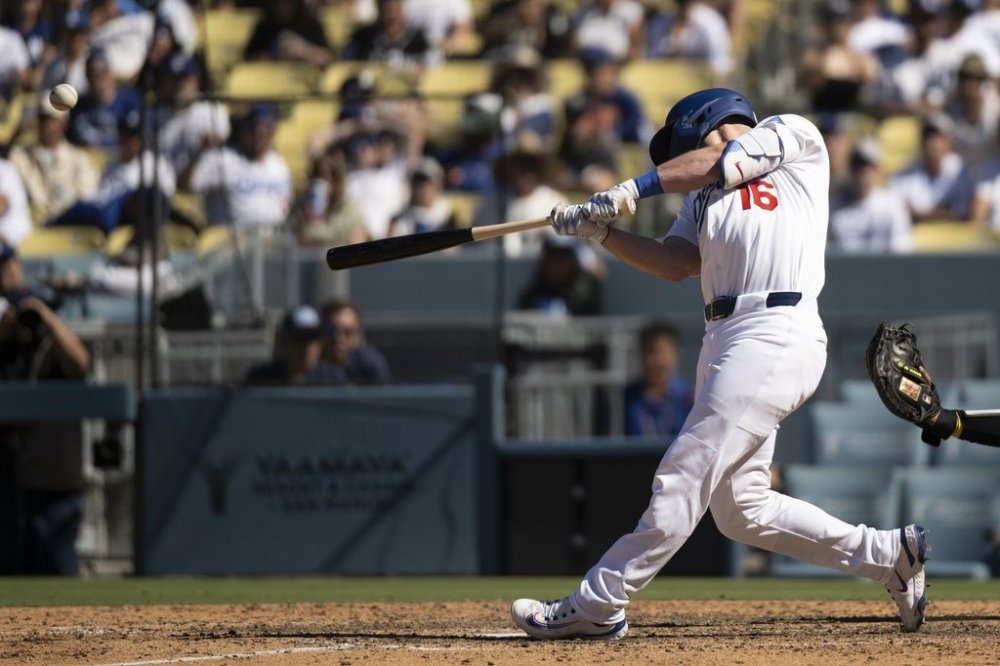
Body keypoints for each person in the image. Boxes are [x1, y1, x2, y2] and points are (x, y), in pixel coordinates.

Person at [510, 88, 929, 639]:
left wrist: (631, 187)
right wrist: (603, 233)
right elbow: (676, 262)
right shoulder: (701, 198)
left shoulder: (794, 136)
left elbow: (723, 158)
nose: (673, 155)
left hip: (776, 327)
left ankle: (599, 601)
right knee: (742, 510)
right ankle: (887, 554)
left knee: (684, 472)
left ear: (702, 122)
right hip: (724, 338)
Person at [0, 240, 91, 576]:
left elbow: (80, 362)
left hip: (55, 480)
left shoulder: (54, 340)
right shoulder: (7, 342)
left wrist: (43, 315)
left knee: (58, 570)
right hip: (8, 480)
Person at [180, 103, 292, 229]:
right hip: (229, 241)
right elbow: (185, 186)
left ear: (273, 133)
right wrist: (200, 151)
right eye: (254, 128)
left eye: (266, 129)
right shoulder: (223, 158)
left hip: (271, 240)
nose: (259, 136)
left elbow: (283, 206)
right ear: (243, 131)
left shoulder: (278, 164)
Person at [10, 90, 101, 224]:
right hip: (30, 231)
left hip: (67, 231)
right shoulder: (20, 157)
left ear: (63, 124)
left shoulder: (79, 160)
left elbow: (86, 202)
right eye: (42, 118)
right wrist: (15, 134)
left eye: (50, 119)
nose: (45, 124)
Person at [829, 139, 912, 254]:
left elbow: (901, 253)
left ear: (879, 170)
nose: (864, 173)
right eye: (858, 166)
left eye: (869, 166)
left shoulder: (893, 206)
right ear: (851, 170)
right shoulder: (835, 209)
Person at [889, 113, 975, 223]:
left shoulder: (962, 171)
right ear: (920, 141)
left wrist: (919, 214)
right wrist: (943, 212)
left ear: (948, 141)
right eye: (927, 136)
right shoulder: (905, 174)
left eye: (938, 137)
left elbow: (964, 213)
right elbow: (895, 211)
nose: (932, 143)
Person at [623, 321, 695, 438]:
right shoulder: (628, 397)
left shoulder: (690, 398)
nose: (651, 360)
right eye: (646, 352)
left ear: (674, 353)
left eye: (658, 352)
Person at [294, 148, 369, 247]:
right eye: (319, 174)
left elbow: (358, 242)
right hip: (310, 261)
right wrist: (309, 216)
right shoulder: (301, 207)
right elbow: (294, 244)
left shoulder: (350, 209)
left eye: (331, 175)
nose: (324, 180)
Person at [313, 299, 391, 385]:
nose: (339, 338)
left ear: (358, 335)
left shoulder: (370, 365)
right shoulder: (309, 364)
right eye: (331, 330)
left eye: (347, 332)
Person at [244, 305, 324, 386]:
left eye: (312, 339)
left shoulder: (333, 380)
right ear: (284, 342)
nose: (307, 347)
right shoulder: (260, 380)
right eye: (300, 339)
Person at [243, 0, 334, 67]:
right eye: (279, 3)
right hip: (270, 82)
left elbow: (327, 59)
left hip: (304, 82)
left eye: (287, 2)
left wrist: (305, 51)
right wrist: (272, 56)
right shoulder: (264, 27)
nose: (283, 6)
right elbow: (248, 59)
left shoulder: (310, 24)